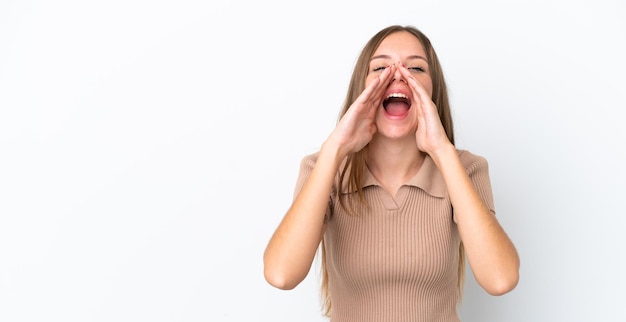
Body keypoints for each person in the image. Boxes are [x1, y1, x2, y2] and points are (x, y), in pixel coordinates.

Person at [263, 25, 520, 321]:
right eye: (381, 67)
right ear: (362, 88)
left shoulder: (466, 169)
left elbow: (500, 279)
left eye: (415, 68)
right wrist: (335, 148)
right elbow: (281, 274)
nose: (398, 75)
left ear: (432, 90)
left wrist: (442, 150)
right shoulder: (323, 169)